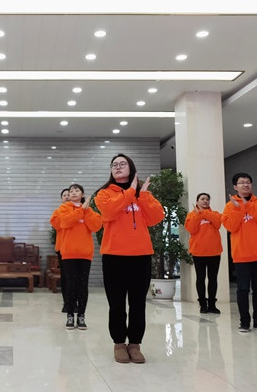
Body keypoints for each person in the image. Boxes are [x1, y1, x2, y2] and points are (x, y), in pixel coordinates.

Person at [94, 154, 164, 364]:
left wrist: (143, 195)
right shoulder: (104, 194)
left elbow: (156, 217)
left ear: (131, 168)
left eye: (122, 164)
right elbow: (108, 212)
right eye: (114, 165)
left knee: (138, 304)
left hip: (140, 256)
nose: (117, 167)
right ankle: (118, 343)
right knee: (116, 304)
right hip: (114, 256)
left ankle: (134, 344)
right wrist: (130, 192)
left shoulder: (143, 194)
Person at [222, 172, 257, 334]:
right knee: (243, 289)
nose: (245, 185)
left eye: (248, 182)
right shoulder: (229, 206)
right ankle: (244, 322)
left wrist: (248, 206)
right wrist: (238, 209)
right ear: (235, 187)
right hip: (241, 255)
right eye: (241, 182)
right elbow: (230, 226)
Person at [56, 183, 102, 330]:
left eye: (77, 190)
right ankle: (70, 315)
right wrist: (81, 210)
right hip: (69, 252)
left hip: (85, 253)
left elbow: (96, 226)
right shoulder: (64, 208)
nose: (73, 193)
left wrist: (86, 210)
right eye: (71, 191)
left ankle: (81, 316)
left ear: (82, 195)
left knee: (83, 285)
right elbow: (66, 222)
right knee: (71, 284)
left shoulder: (89, 211)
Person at [184, 193, 223, 314]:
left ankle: (212, 304)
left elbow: (218, 224)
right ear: (197, 202)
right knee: (200, 278)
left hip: (214, 252)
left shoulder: (215, 214)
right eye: (202, 199)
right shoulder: (191, 215)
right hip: (198, 252)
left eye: (207, 199)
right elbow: (191, 229)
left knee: (213, 279)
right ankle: (202, 304)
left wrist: (204, 213)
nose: (205, 201)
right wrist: (198, 215)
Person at [49, 188, 70, 312]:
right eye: (64, 195)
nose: (67, 197)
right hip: (62, 247)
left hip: (76, 248)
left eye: (68, 195)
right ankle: (66, 302)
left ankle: (75, 301)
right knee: (65, 276)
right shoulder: (58, 212)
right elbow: (58, 225)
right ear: (61, 199)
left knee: (75, 277)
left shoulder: (80, 210)